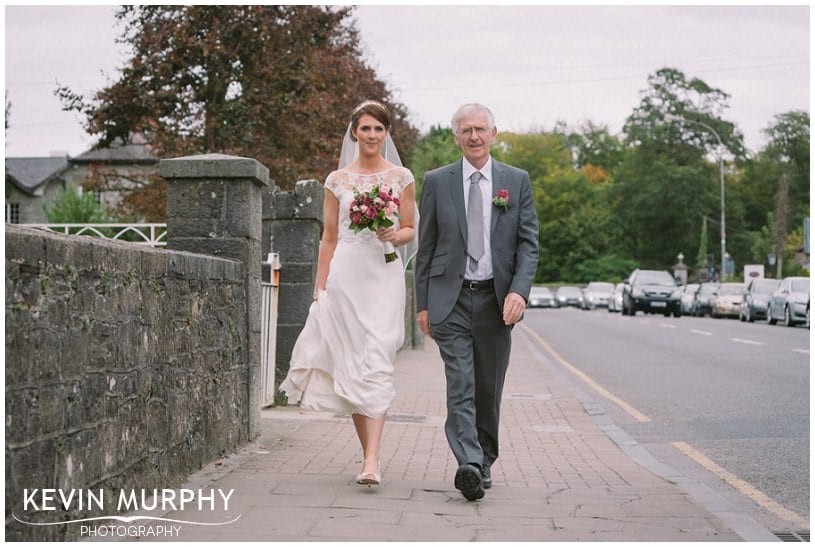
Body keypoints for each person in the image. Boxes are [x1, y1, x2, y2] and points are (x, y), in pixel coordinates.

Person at [279, 100, 416, 487]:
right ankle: (370, 459)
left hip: (383, 276)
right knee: (354, 364)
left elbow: (409, 228)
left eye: (379, 129)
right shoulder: (336, 180)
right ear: (354, 132)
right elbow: (329, 237)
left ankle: (371, 456)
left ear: (386, 134)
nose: (372, 135)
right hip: (345, 278)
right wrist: (319, 287)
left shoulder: (401, 177)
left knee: (377, 358)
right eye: (365, 128)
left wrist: (393, 234)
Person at [415, 103, 538, 501]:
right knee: (461, 384)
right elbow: (427, 246)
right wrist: (422, 304)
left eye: (480, 129)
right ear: (456, 136)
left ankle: (484, 460)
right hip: (449, 300)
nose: (474, 137)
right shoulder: (436, 181)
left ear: (494, 133)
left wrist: (519, 291)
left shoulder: (515, 181)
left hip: (496, 302)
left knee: (488, 386)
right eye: (466, 130)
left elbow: (528, 245)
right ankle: (467, 461)